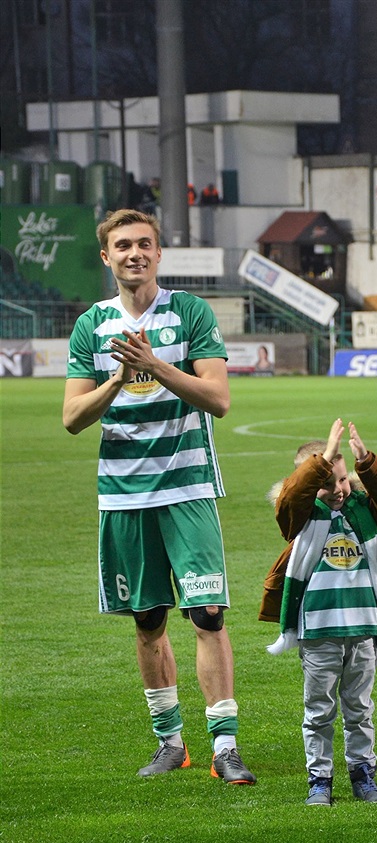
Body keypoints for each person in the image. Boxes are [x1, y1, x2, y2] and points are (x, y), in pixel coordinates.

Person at [62, 208, 256, 785]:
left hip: (188, 486)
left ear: (158, 252)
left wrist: (153, 364)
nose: (134, 254)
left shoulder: (189, 312)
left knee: (208, 614)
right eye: (122, 246)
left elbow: (218, 399)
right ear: (106, 256)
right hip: (123, 494)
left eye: (144, 244)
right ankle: (170, 742)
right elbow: (73, 417)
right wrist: (119, 379)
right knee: (147, 620)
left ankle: (225, 747)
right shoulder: (90, 326)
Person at [259, 419, 377, 806]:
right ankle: (320, 781)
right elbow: (292, 497)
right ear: (311, 482)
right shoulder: (301, 518)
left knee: (360, 709)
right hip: (319, 634)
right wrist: (322, 460)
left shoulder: (363, 512)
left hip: (362, 631)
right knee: (319, 711)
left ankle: (364, 777)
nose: (339, 490)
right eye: (328, 481)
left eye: (343, 480)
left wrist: (366, 461)